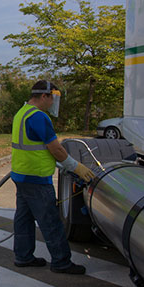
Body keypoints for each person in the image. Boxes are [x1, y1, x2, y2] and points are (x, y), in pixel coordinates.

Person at [11, 80, 96, 274]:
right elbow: (56, 149)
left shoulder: (21, 113)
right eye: (52, 99)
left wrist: (57, 163)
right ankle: (61, 261)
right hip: (37, 178)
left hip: (22, 175)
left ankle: (23, 257)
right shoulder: (39, 117)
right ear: (44, 96)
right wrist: (76, 167)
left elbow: (34, 148)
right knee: (50, 220)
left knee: (23, 219)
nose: (52, 104)